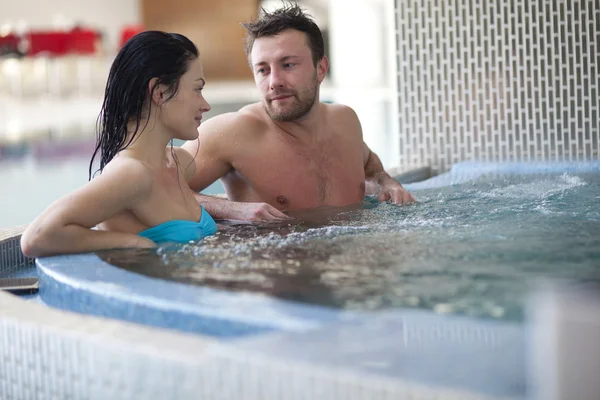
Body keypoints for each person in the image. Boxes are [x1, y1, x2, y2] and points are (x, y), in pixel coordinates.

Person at [183, 3, 415, 222]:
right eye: (263, 70)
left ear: (321, 68)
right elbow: (153, 187)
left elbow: (368, 162)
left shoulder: (345, 120)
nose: (274, 82)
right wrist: (233, 210)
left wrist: (385, 182)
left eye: (288, 64)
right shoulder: (232, 133)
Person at [21, 31, 217, 258]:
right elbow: (36, 237)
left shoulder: (180, 163)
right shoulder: (131, 174)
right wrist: (134, 243)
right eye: (197, 89)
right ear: (160, 92)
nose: (205, 105)